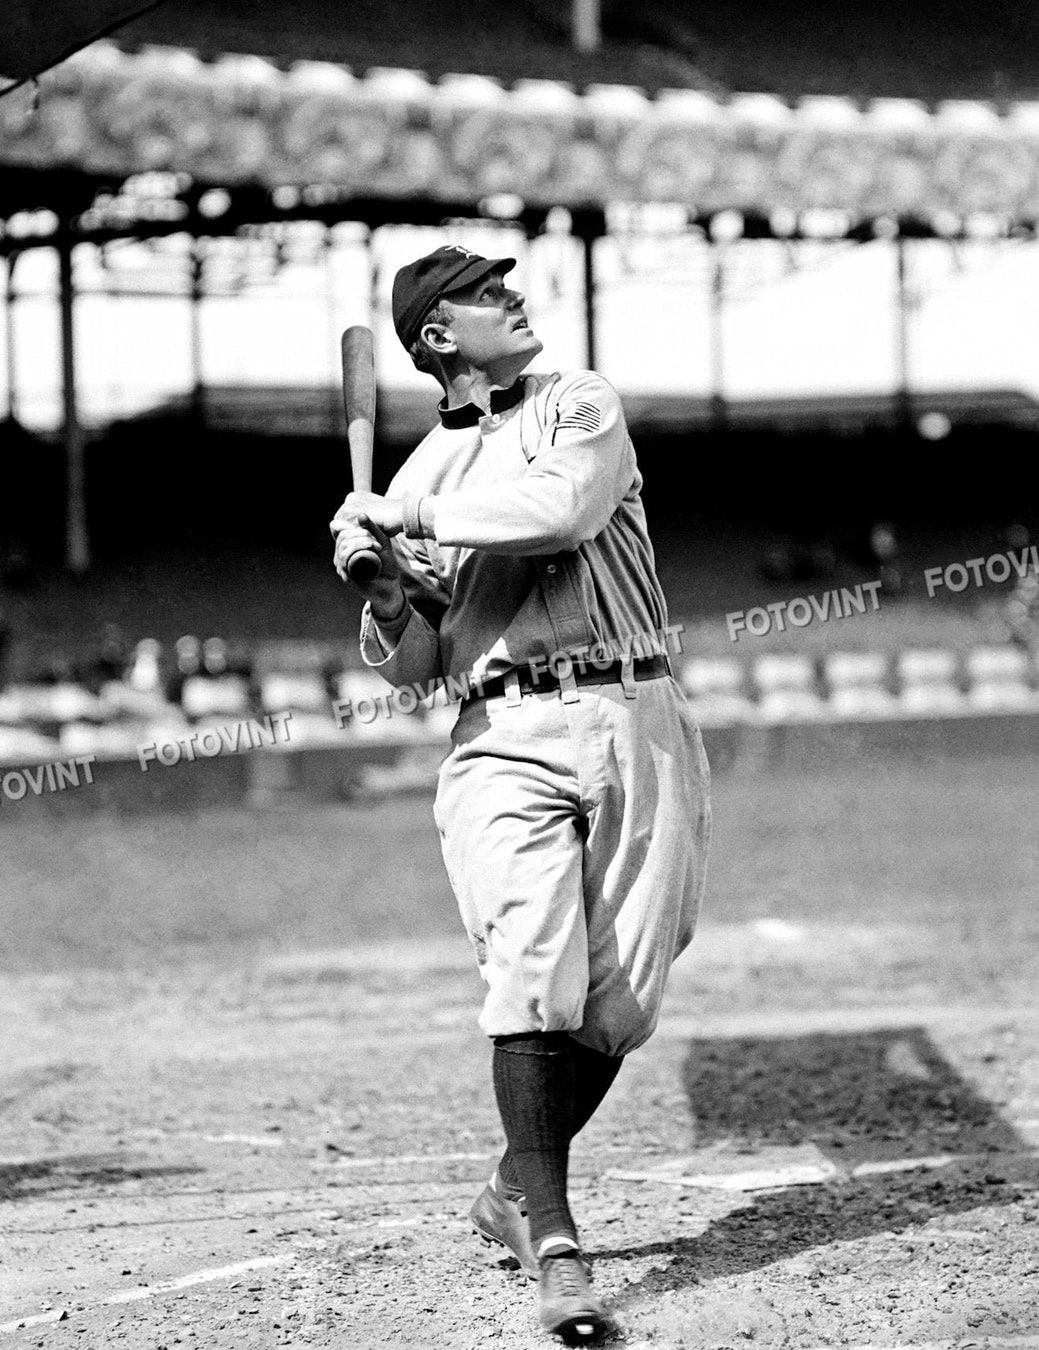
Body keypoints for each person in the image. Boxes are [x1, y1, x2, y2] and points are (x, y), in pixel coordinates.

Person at [329, 245, 711, 1341]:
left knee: (622, 1000)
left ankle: (511, 1184)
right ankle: (555, 1242)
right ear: (439, 338)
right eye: (486, 293)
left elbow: (560, 511)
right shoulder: (405, 482)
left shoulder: (580, 404)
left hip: (634, 714)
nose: (514, 296)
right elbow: (416, 664)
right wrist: (389, 590)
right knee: (534, 979)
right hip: (501, 734)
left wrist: (404, 525)